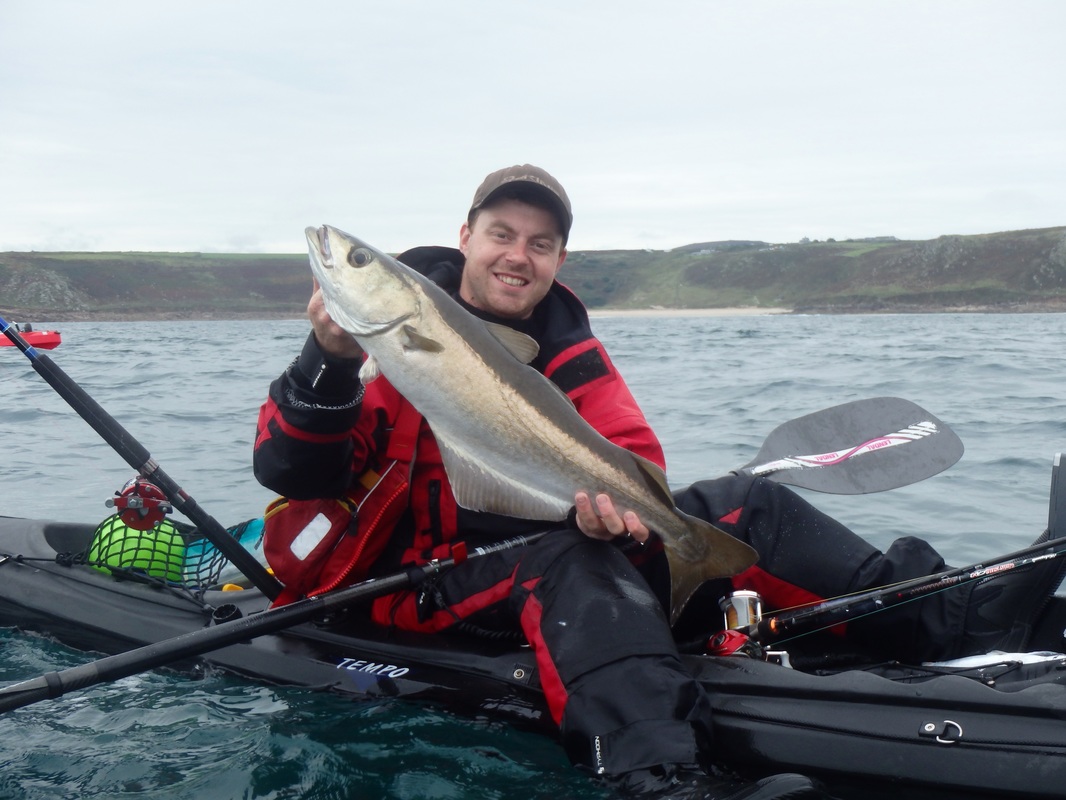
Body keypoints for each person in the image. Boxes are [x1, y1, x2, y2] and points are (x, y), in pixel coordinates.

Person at [253, 165, 1064, 800]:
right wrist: (328, 358)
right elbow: (290, 469)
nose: (518, 255)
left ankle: (958, 613)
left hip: (537, 543)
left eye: (541, 244)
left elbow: (636, 458)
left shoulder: (572, 355)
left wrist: (637, 523)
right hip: (400, 584)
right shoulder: (385, 341)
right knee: (571, 563)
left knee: (751, 505)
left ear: (559, 259)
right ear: (464, 236)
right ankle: (662, 777)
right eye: (502, 233)